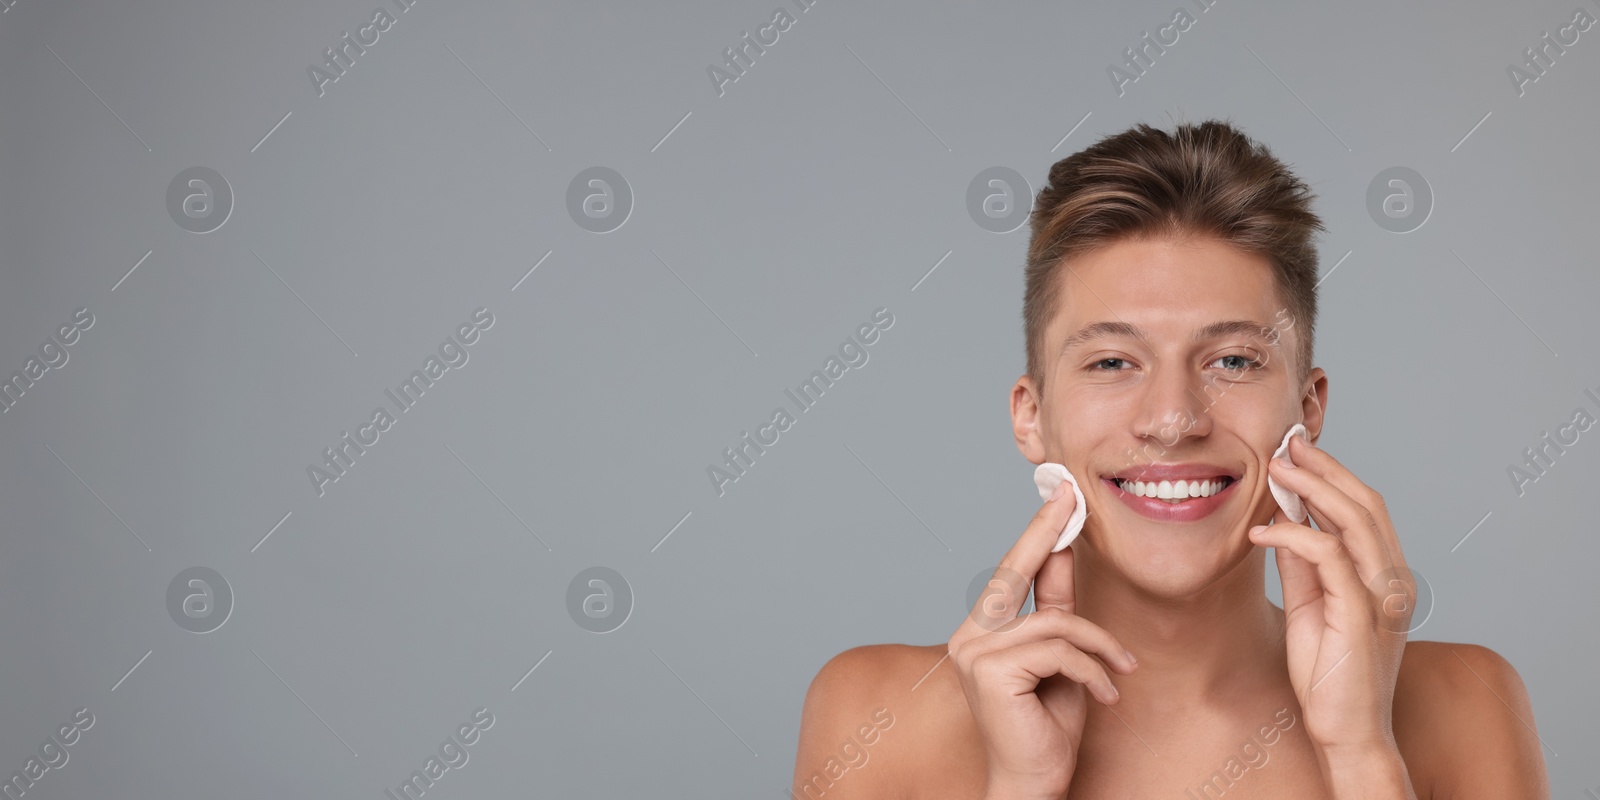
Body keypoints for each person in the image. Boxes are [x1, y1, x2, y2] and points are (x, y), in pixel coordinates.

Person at [790, 120, 1549, 799]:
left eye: (1234, 362)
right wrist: (1022, 788)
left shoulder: (1468, 704)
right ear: (1032, 416)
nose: (1173, 419)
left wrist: (1362, 757)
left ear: (1308, 410)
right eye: (1113, 363)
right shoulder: (875, 715)